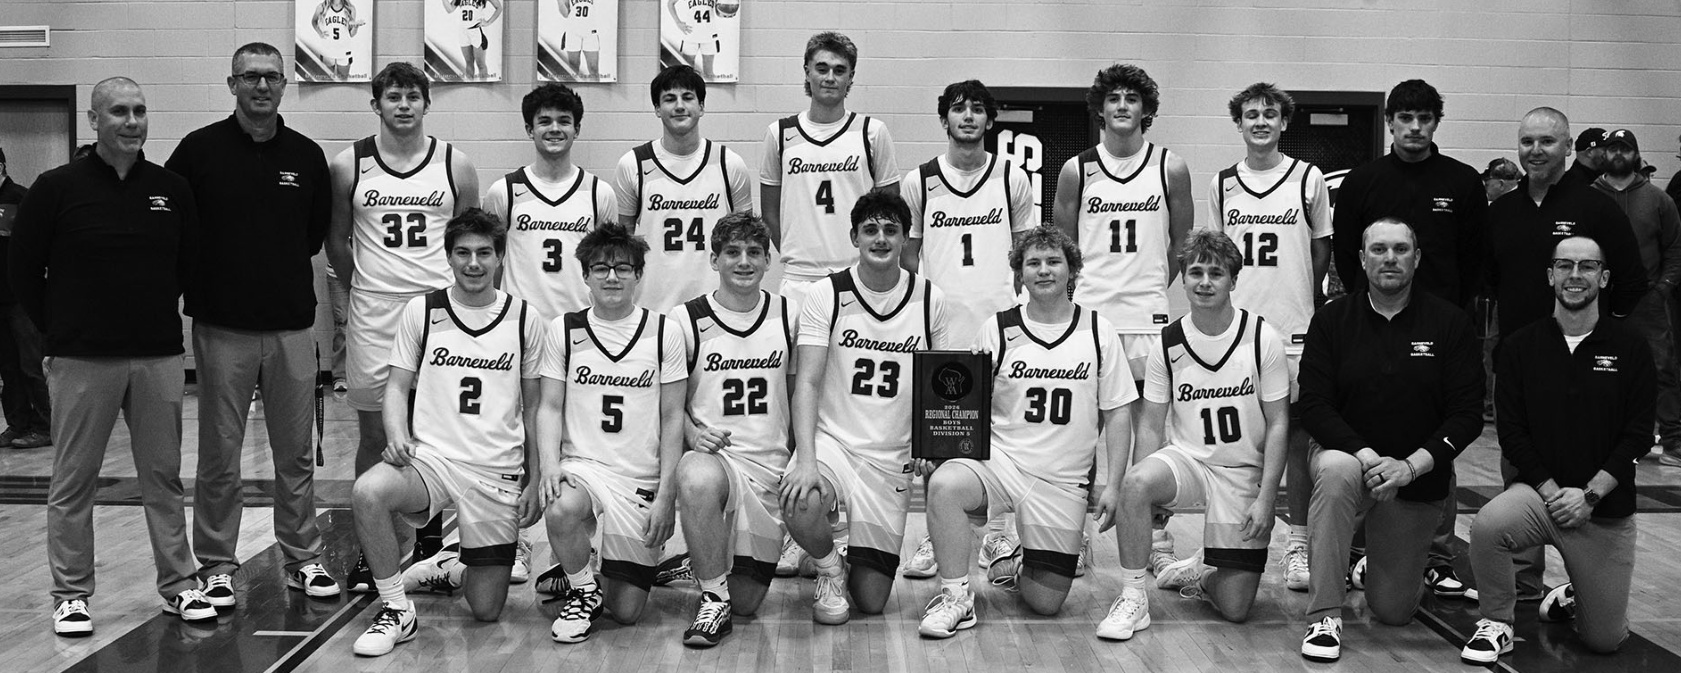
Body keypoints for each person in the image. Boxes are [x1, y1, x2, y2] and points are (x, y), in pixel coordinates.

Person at [12, 77, 213, 635]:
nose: (131, 121)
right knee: (74, 479)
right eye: (119, 111)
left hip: (156, 356)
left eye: (140, 111)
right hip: (80, 359)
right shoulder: (55, 189)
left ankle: (178, 584)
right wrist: (63, 330)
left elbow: (188, 264)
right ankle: (71, 594)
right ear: (94, 119)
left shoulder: (171, 188)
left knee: (163, 478)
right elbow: (24, 271)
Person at [165, 43, 339, 607]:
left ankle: (303, 557)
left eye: (271, 77)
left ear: (285, 84)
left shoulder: (308, 156)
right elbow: (179, 230)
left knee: (295, 454)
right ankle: (216, 563)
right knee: (219, 454)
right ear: (232, 83)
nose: (261, 86)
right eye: (250, 77)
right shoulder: (197, 151)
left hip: (291, 328)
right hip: (221, 329)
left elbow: (314, 235)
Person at [917, 226, 1134, 638]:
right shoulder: (998, 329)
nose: (1044, 270)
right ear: (1020, 273)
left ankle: (1019, 562)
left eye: (1054, 261)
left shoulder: (1099, 331)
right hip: (1002, 462)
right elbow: (966, 404)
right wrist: (940, 450)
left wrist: (1113, 484)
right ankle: (956, 596)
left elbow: (1118, 413)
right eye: (1033, 263)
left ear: (1073, 271)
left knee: (1045, 603)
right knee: (944, 484)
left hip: (1062, 480)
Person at [348, 209, 545, 657]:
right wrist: (396, 434)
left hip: (496, 469)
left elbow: (534, 406)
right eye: (463, 253)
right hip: (432, 461)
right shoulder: (424, 309)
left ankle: (455, 566)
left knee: (486, 609)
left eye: (483, 253)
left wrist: (534, 475)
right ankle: (397, 609)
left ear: (499, 257)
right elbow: (396, 387)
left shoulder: (524, 318)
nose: (473, 263)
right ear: (449, 256)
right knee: (368, 492)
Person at [1294, 218, 1484, 662]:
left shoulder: (1450, 323)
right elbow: (1315, 405)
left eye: (1401, 249)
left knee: (1393, 610)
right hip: (1348, 458)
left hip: (1414, 476)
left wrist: (1411, 466)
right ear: (1361, 260)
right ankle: (1324, 614)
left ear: (1417, 259)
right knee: (1338, 470)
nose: (1390, 258)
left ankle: (1372, 561)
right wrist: (1364, 455)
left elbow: (1467, 415)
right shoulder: (1332, 320)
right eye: (1378, 250)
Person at [1329, 78, 1487, 597]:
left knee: (1439, 439)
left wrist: (1453, 323)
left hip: (1440, 334)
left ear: (1436, 122)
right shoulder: (1364, 181)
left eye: (1425, 118)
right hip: (1372, 323)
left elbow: (1473, 258)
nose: (1415, 128)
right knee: (1361, 436)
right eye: (1405, 118)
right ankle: (1355, 550)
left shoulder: (1462, 182)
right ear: (1391, 123)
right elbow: (1349, 251)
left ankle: (1437, 555)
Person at [325, 61, 480, 590]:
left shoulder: (456, 164)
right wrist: (368, 284)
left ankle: (440, 546)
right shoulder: (350, 165)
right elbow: (337, 242)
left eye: (413, 96)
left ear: (426, 103)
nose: (404, 105)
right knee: (376, 433)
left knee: (443, 427)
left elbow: (471, 241)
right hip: (376, 310)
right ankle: (381, 548)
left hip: (440, 310)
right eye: (393, 96)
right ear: (376, 105)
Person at [1463, 235, 1652, 663]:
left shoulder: (1630, 346)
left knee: (1605, 640)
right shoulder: (1519, 347)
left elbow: (1639, 433)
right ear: (1550, 276)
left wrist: (1589, 496)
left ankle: (1574, 595)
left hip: (1602, 508)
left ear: (1603, 278)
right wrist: (1553, 493)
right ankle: (1496, 622)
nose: (1575, 276)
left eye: (1587, 266)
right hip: (1540, 497)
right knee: (1489, 527)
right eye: (1565, 266)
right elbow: (1511, 434)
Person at [1095, 229, 1289, 641]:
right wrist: (1143, 491)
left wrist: (1268, 496)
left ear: (1233, 280)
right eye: (1195, 272)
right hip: (1190, 461)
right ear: (1181, 278)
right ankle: (1133, 596)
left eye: (1215, 273)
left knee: (1236, 608)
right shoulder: (1169, 341)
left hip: (1241, 471)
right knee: (1136, 482)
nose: (1204, 282)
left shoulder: (1262, 338)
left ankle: (1201, 574)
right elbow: (1150, 423)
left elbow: (1279, 423)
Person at [779, 188, 950, 625]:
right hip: (835, 443)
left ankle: (847, 561)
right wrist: (806, 457)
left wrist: (934, 445)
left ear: (906, 238)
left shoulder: (931, 299)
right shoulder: (826, 294)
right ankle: (828, 566)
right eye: (870, 229)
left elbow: (941, 386)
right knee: (800, 498)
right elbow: (809, 381)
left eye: (891, 230)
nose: (880, 238)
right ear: (854, 236)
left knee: (872, 602)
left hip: (891, 458)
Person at [1053, 62, 1194, 579]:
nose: (1121, 106)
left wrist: (1154, 286)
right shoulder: (1077, 169)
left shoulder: (1170, 167)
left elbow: (1183, 242)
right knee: (1083, 430)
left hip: (1148, 315)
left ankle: (1155, 535)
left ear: (1146, 110)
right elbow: (1064, 245)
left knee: (1149, 431)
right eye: (1112, 98)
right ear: (1100, 108)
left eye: (1131, 99)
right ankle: (1078, 534)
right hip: (1092, 313)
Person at [897, 79, 1036, 581]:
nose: (969, 117)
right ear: (945, 119)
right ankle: (941, 537)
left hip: (1000, 321)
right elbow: (910, 256)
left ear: (990, 120)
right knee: (943, 440)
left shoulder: (1011, 178)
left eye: (978, 109)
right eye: (959, 109)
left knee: (1002, 430)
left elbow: (1024, 251)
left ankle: (1000, 531)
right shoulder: (921, 181)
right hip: (943, 325)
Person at [1207, 82, 1331, 594]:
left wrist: (1301, 298)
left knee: (1298, 440)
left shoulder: (1308, 178)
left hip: (1295, 330)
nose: (1261, 122)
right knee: (1239, 439)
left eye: (1270, 114)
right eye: (1251, 114)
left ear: (1284, 123)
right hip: (1238, 332)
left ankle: (1297, 540)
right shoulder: (1222, 183)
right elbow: (1216, 255)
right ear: (1239, 123)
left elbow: (1320, 251)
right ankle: (1226, 540)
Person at [537, 224, 688, 643]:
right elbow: (548, 407)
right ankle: (583, 587)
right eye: (600, 268)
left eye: (623, 267)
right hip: (584, 468)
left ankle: (591, 567)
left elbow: (674, 417)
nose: (611, 277)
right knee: (560, 506)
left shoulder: (663, 332)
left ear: (639, 275)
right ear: (584, 275)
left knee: (626, 612)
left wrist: (666, 495)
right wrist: (549, 465)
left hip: (638, 479)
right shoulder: (563, 330)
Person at [668, 212, 793, 647]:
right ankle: (711, 596)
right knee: (695, 474)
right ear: (714, 259)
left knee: (749, 602)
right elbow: (667, 406)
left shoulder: (788, 315)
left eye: (754, 253)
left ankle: (703, 558)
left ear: (767, 261)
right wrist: (691, 434)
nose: (744, 262)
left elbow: (804, 394)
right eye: (733, 253)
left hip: (770, 470)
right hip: (717, 461)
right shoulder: (685, 319)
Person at [760, 31, 899, 310]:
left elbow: (890, 209)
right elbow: (770, 212)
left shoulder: (872, 132)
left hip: (858, 274)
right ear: (807, 71)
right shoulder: (780, 134)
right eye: (821, 68)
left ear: (851, 77)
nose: (830, 77)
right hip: (799, 278)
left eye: (840, 70)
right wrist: (796, 252)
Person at [615, 64, 754, 314]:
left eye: (688, 97)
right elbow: (623, 244)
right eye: (669, 99)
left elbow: (749, 239)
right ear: (657, 109)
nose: (679, 105)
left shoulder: (729, 164)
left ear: (701, 107)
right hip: (653, 307)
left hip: (718, 307)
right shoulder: (632, 165)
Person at [483, 82, 615, 324]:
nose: (554, 129)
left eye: (564, 121)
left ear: (577, 129)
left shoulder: (599, 193)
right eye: (544, 121)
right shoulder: (504, 192)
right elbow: (491, 264)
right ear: (529, 129)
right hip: (518, 325)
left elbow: (609, 267)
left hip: (580, 326)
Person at [1590, 129, 1681, 459]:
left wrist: (1662, 290)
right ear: (1603, 154)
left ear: (1636, 154)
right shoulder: (1589, 195)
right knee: (1601, 368)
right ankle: (1606, 438)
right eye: (1612, 149)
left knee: (1661, 368)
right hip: (1598, 299)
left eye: (1624, 149)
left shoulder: (1659, 200)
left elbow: (1675, 248)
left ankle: (1672, 440)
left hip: (1647, 301)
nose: (1618, 155)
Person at [0, 144, 51, 449]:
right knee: (7, 367)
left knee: (31, 364)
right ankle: (17, 423)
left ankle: (45, 426)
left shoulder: (21, 197)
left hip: (20, 299)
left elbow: (35, 246)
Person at [447, 0, 502, 80]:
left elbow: (499, 7)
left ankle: (484, 88)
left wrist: (488, 22)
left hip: (476, 31)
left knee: (481, 64)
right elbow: (450, 9)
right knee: (469, 63)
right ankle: (469, 86)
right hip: (463, 32)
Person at [311, 0, 365, 80]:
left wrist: (356, 26)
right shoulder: (322, 7)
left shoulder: (350, 8)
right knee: (325, 82)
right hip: (327, 50)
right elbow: (314, 21)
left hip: (344, 51)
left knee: (343, 82)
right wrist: (320, 33)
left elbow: (351, 34)